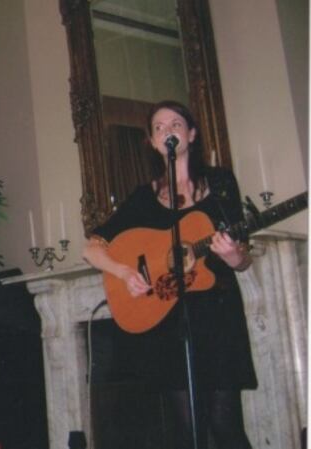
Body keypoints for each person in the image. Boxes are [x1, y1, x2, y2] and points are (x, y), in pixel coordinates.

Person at [82, 100, 257, 449]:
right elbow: (92, 247)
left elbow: (242, 261)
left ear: (191, 135)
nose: (168, 131)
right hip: (170, 321)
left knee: (226, 427)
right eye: (159, 127)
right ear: (152, 141)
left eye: (176, 124)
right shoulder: (143, 198)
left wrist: (233, 253)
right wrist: (123, 271)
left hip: (217, 314)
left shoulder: (221, 183)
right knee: (189, 431)